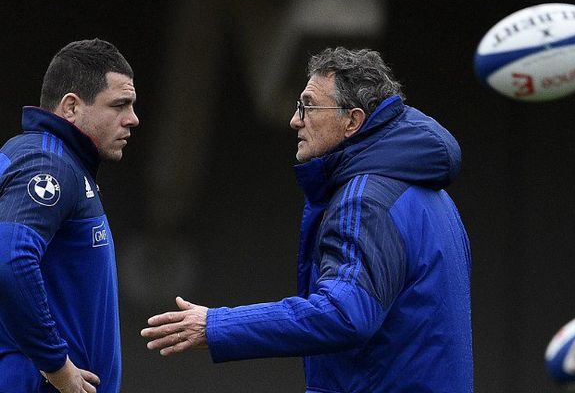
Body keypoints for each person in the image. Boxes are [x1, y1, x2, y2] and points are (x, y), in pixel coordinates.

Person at [141, 47, 473, 392]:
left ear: (353, 121)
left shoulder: (365, 199)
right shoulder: (432, 195)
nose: (295, 120)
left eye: (309, 105)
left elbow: (344, 314)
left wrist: (217, 325)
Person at [0, 39, 139, 393]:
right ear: (72, 107)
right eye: (120, 105)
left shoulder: (52, 159)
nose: (132, 119)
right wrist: (58, 367)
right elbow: (10, 259)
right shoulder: (48, 164)